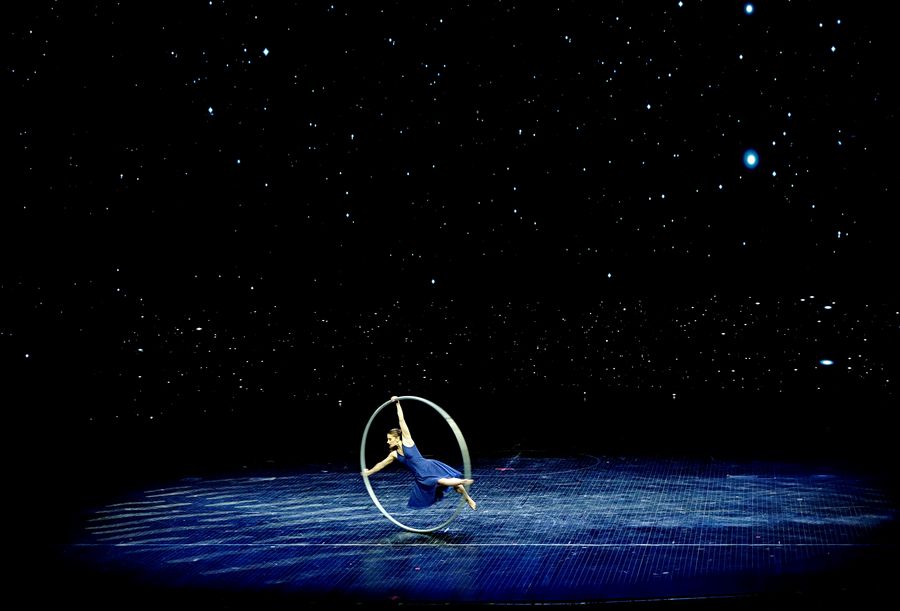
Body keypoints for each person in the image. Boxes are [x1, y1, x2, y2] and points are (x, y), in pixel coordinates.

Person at [363, 396, 476, 510]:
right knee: (446, 482)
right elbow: (381, 465)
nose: (388, 442)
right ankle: (465, 488)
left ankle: (466, 492)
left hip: (428, 466)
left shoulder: (407, 441)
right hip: (421, 476)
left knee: (446, 482)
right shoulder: (394, 455)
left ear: (397, 438)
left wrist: (397, 403)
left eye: (390, 439)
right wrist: (369, 472)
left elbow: (401, 420)